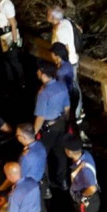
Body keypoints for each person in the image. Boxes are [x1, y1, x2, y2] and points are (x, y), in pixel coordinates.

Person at [34, 61, 70, 190]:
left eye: (38, 71)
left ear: (43, 74)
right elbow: (67, 107)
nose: (37, 72)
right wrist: (65, 122)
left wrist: (33, 133)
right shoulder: (62, 86)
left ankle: (46, 187)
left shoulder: (44, 94)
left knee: (41, 155)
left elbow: (40, 117)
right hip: (60, 124)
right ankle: (63, 181)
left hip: (48, 129)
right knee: (60, 154)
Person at [48, 6, 84, 126]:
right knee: (74, 86)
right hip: (72, 60)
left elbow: (66, 49)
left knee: (72, 88)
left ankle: (76, 114)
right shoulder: (65, 22)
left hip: (69, 63)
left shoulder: (60, 31)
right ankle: (76, 112)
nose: (46, 15)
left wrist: (62, 65)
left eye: (48, 14)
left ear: (53, 17)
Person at [51, 42, 82, 131]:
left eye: (52, 54)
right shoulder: (67, 63)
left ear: (57, 55)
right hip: (73, 91)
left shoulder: (61, 71)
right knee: (71, 117)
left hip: (67, 96)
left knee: (67, 118)